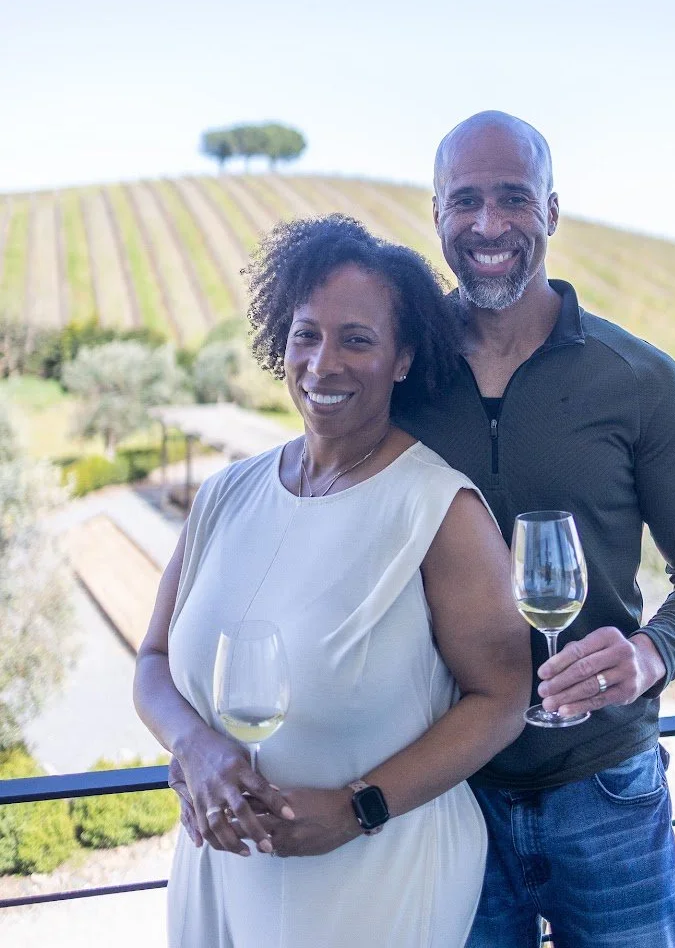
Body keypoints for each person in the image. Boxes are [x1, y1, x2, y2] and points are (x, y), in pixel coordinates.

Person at [388, 110, 675, 948]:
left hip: (607, 788)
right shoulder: (400, 377)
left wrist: (650, 654)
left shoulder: (642, 380)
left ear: (551, 210)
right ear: (436, 213)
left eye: (514, 197)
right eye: (465, 200)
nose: (488, 225)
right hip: (450, 794)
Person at [134, 216, 531, 948]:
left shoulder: (438, 509)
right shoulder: (225, 495)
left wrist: (359, 808)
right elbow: (153, 662)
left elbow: (503, 699)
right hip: (221, 866)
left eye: (357, 340)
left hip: (378, 873)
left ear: (402, 359)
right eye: (306, 335)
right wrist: (195, 747)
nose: (324, 363)